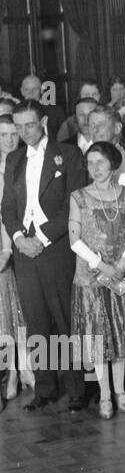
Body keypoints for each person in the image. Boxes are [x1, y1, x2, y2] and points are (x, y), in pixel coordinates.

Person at [3, 100, 88, 412]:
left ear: (44, 123)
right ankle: (46, 387)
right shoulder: (14, 159)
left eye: (30, 125)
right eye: (19, 126)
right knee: (36, 320)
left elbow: (73, 205)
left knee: (67, 318)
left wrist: (41, 237)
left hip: (57, 248)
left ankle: (77, 387)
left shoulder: (67, 155)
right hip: (25, 252)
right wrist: (18, 239)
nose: (24, 132)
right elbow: (7, 207)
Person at [68, 142, 125, 419]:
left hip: (121, 274)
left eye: (100, 162)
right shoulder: (78, 196)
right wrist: (100, 264)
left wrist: (123, 262)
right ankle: (103, 394)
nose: (95, 168)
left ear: (113, 164)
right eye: (90, 163)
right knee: (98, 336)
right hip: (91, 277)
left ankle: (120, 391)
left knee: (121, 333)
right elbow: (74, 240)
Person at [0, 116, 31, 404]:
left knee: (17, 315)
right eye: (3, 134)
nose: (10, 140)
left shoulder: (26, 161)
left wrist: (7, 251)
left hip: (23, 245)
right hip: (9, 244)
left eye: (13, 134)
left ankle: (19, 371)